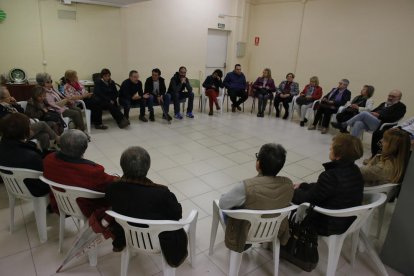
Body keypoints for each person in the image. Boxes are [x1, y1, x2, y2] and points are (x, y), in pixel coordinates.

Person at [106, 147, 187, 266]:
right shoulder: (161, 193)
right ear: (147, 167)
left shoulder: (112, 188)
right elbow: (177, 214)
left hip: (127, 235)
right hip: (159, 240)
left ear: (122, 166)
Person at [219, 143, 294, 252]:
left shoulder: (247, 187)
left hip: (246, 232)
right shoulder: (288, 184)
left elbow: (223, 204)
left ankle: (244, 242)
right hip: (273, 230)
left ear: (258, 164)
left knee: (227, 205)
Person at [292, 134, 364, 236]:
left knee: (290, 200)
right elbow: (322, 189)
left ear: (338, 155)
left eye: (331, 149)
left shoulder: (331, 175)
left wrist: (290, 191)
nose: (330, 149)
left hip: (329, 223)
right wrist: (303, 185)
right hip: (348, 220)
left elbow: (308, 198)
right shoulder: (355, 170)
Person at [43, 129, 117, 216]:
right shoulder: (93, 171)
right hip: (85, 209)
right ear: (84, 148)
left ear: (60, 144)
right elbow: (112, 184)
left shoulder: (48, 159)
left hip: (59, 204)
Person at [0, 113, 50, 197]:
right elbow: (44, 173)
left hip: (13, 185)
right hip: (34, 189)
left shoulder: (3, 145)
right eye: (29, 126)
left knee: (44, 136)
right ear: (25, 131)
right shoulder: (31, 156)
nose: (30, 128)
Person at [0, 86, 59, 151]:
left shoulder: (10, 104)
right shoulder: (2, 109)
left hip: (26, 126)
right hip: (18, 133)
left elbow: (22, 112)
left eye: (10, 95)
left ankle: (44, 154)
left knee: (44, 135)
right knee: (42, 124)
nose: (11, 97)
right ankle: (58, 139)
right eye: (8, 96)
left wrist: (15, 104)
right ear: (1, 99)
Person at [331, 89, 406, 138]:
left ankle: (344, 124)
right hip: (372, 121)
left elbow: (394, 118)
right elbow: (374, 110)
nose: (390, 98)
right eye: (389, 95)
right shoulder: (384, 103)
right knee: (358, 123)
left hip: (381, 124)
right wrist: (372, 113)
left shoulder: (401, 107)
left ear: (399, 98)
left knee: (364, 113)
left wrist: (379, 115)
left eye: (393, 96)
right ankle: (352, 143)